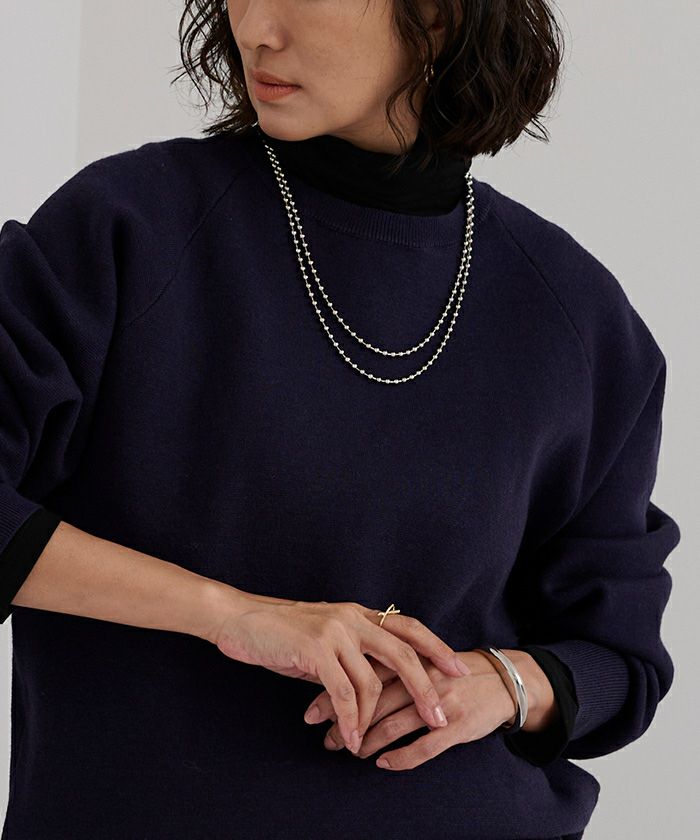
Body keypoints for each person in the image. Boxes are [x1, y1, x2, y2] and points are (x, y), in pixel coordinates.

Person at [0, 1, 680, 838]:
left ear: (439, 17)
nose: (256, 28)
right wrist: (232, 615)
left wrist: (504, 683)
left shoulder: (576, 317)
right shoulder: (131, 227)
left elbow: (618, 658)